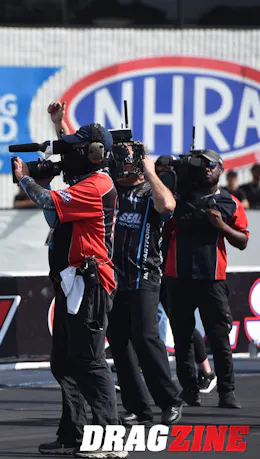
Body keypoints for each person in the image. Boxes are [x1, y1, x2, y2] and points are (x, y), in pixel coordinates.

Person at [14, 116, 122, 458]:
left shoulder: (97, 185)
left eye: (76, 148)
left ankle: (110, 438)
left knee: (90, 360)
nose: (68, 155)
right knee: (63, 361)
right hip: (72, 282)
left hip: (90, 284)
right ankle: (73, 432)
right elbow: (56, 216)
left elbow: (48, 203)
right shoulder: (85, 184)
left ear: (93, 153)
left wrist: (26, 180)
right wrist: (44, 182)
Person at [104, 140, 183, 427]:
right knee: (120, 344)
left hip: (144, 278)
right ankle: (137, 408)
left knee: (146, 339)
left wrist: (150, 171)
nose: (120, 165)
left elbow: (169, 206)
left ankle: (170, 401)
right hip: (113, 280)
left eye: (126, 160)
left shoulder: (151, 192)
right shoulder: (110, 191)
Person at [165, 149, 249, 409]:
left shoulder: (229, 202)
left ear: (221, 169)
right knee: (182, 339)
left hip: (212, 280)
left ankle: (227, 392)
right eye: (202, 164)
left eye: (212, 165)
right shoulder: (177, 199)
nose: (207, 169)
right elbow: (161, 229)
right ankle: (189, 391)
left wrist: (222, 226)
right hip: (178, 277)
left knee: (220, 338)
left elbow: (243, 241)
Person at [156, 156, 217, 396]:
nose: (165, 178)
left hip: (172, 267)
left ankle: (206, 370)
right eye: (160, 173)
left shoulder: (184, 199)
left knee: (181, 322)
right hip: (151, 264)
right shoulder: (152, 193)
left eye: (168, 173)